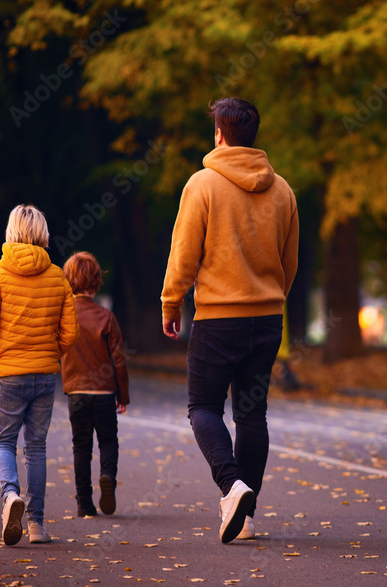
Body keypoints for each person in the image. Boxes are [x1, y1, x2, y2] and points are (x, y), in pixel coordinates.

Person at [161, 97, 299, 544]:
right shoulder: (283, 192)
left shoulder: (202, 185)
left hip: (218, 318)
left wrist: (171, 303)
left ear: (220, 133)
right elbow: (289, 262)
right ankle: (248, 517)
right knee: (251, 413)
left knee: (202, 407)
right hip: (267, 317)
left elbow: (183, 255)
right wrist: (271, 297)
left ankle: (231, 486)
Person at [0, 205, 78, 545]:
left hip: (10, 374)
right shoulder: (57, 277)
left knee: (3, 441)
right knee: (36, 447)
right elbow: (70, 331)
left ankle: (9, 496)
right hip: (45, 374)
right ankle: (36, 525)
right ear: (42, 232)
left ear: (12, 230)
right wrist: (52, 354)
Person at [61, 251, 130, 519]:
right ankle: (107, 477)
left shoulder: (64, 316)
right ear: (97, 280)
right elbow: (119, 361)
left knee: (81, 446)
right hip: (103, 393)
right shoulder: (106, 317)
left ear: (69, 280)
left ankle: (84, 503)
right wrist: (122, 395)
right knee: (108, 441)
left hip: (76, 391)